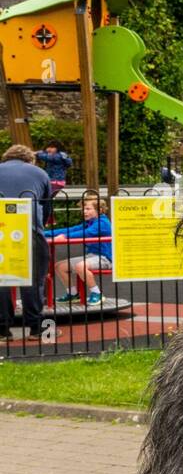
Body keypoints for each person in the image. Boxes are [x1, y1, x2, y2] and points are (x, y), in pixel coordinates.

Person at [0, 145, 52, 341]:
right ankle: (37, 328)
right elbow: (46, 207)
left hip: (1, 231)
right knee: (34, 280)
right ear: (30, 160)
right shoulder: (40, 173)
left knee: (1, 280)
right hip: (30, 230)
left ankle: (3, 330)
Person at [51, 192, 112, 304]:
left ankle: (97, 293)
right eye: (83, 209)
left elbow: (87, 233)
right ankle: (73, 294)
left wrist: (64, 237)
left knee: (81, 266)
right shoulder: (89, 222)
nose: (84, 212)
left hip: (105, 258)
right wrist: (43, 233)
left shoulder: (102, 223)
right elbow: (70, 230)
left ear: (100, 210)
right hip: (92, 256)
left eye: (88, 209)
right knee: (60, 266)